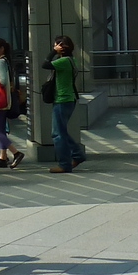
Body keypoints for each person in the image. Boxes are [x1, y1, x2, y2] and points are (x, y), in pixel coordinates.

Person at [45, 35, 85, 173]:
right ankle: (78, 155)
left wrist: (53, 52)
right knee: (61, 132)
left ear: (62, 47)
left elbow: (45, 64)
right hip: (68, 99)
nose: (54, 47)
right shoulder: (71, 60)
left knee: (57, 134)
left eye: (56, 45)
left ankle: (64, 164)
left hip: (62, 100)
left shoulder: (63, 61)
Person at [0, 38, 24, 169]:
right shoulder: (6, 62)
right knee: (1, 129)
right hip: (2, 101)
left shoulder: (1, 62)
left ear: (1, 49)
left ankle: (16, 153)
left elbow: (1, 82)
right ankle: (2, 158)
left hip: (0, 103)